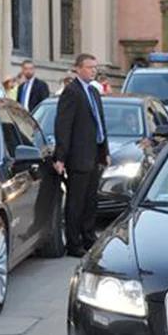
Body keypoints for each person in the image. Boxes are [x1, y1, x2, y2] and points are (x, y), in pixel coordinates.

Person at [54, 53, 110, 257]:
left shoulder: (93, 92)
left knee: (90, 201)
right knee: (76, 202)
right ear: (78, 69)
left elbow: (100, 123)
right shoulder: (71, 92)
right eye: (89, 67)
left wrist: (105, 151)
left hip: (94, 154)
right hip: (78, 156)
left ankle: (88, 236)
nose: (93, 70)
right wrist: (61, 157)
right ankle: (73, 242)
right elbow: (63, 126)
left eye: (95, 67)